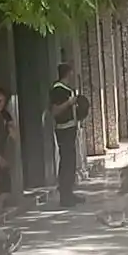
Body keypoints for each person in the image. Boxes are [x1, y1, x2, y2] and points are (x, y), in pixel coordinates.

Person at [48, 63, 82, 207]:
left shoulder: (67, 90)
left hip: (70, 129)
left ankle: (69, 193)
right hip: (64, 130)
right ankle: (64, 196)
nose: (73, 76)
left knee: (71, 162)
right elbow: (55, 111)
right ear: (68, 73)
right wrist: (69, 103)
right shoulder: (58, 90)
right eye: (72, 73)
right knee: (66, 162)